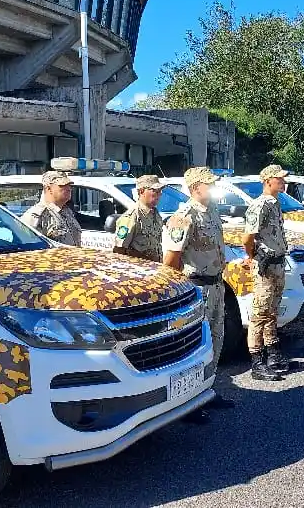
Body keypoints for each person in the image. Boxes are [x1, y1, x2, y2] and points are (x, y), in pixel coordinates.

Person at [162, 167, 240, 406]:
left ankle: (208, 389)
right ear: (196, 188)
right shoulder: (184, 216)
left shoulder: (212, 211)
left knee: (216, 338)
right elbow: (170, 260)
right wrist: (180, 293)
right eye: (210, 184)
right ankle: (191, 399)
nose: (214, 187)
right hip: (197, 288)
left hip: (216, 286)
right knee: (195, 344)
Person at [240, 164, 292, 379]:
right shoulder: (260, 205)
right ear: (268, 181)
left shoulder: (275, 203)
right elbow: (247, 238)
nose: (283, 181)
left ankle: (273, 354)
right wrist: (253, 257)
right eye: (279, 179)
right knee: (260, 313)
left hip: (278, 263)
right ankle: (257, 361)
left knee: (272, 310)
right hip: (266, 265)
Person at [22, 170, 81, 246]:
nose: (69, 189)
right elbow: (29, 248)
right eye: (62, 185)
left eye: (69, 185)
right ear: (48, 189)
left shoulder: (67, 212)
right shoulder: (36, 216)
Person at [113, 174, 165, 261]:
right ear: (141, 191)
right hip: (140, 270)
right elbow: (119, 250)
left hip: (155, 269)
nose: (159, 195)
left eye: (160, 191)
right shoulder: (132, 216)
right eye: (155, 191)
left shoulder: (155, 214)